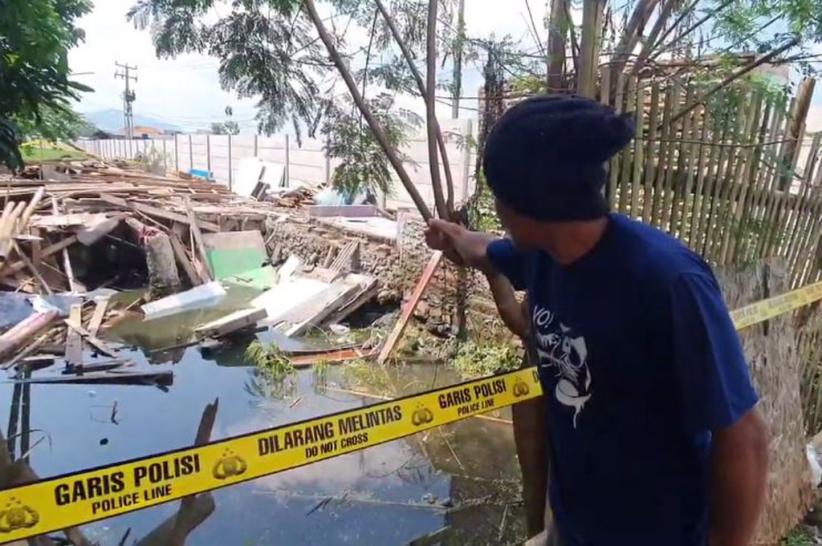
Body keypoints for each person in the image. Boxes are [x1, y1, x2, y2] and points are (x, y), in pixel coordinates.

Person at [426, 95, 768, 546]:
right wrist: (451, 236)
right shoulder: (543, 254)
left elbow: (744, 438)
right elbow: (480, 249)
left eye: (498, 195)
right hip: (574, 526)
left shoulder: (667, 281)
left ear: (525, 207)